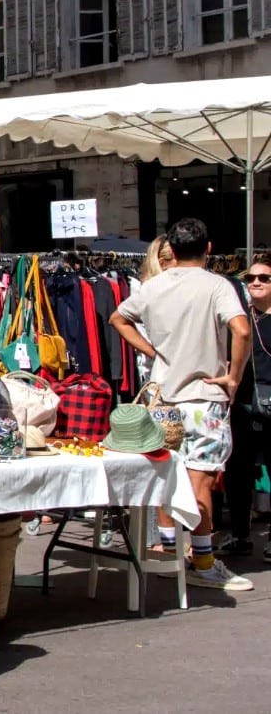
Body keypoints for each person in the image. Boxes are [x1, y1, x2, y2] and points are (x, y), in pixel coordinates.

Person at [109, 218, 254, 591]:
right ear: (208, 249)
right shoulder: (217, 285)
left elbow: (118, 318)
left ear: (170, 251)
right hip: (204, 398)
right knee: (199, 480)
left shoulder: (153, 287)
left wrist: (152, 351)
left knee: (165, 474)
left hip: (162, 397)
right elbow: (241, 329)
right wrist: (233, 376)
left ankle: (170, 551)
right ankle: (202, 562)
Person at [225, 254, 271, 560]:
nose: (255, 282)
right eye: (250, 278)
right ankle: (240, 535)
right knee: (237, 471)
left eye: (263, 278)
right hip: (242, 404)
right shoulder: (240, 318)